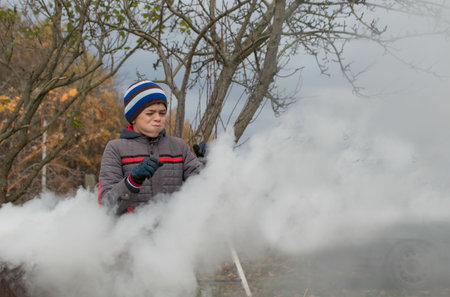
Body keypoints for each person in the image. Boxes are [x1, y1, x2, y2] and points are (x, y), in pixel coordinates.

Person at [98, 80, 205, 215]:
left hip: (175, 233)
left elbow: (205, 189)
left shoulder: (178, 146)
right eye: (150, 113)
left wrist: (211, 164)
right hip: (129, 234)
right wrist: (132, 181)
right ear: (133, 117)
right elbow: (106, 207)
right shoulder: (115, 148)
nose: (158, 118)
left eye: (162, 113)